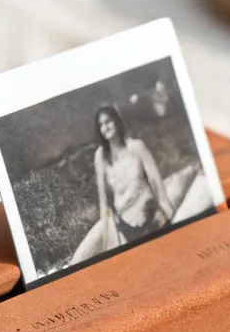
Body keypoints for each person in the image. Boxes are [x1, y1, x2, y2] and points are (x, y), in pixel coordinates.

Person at [70, 106, 174, 265]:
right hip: (122, 219)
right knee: (80, 258)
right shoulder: (101, 156)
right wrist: (107, 229)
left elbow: (155, 180)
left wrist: (166, 209)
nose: (105, 127)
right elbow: (103, 199)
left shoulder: (136, 147)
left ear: (116, 121)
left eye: (108, 122)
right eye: (101, 125)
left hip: (145, 212)